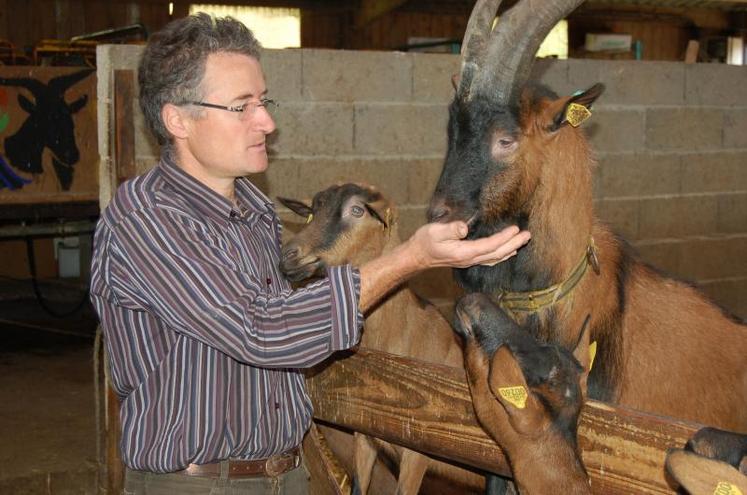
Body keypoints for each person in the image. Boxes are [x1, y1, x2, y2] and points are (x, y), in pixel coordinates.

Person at [90, 12, 531, 495]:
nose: (267, 122)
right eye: (242, 107)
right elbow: (262, 331)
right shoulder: (146, 219)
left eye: (263, 101)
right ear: (178, 119)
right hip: (197, 485)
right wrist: (411, 259)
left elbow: (291, 325)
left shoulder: (254, 211)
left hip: (287, 476)